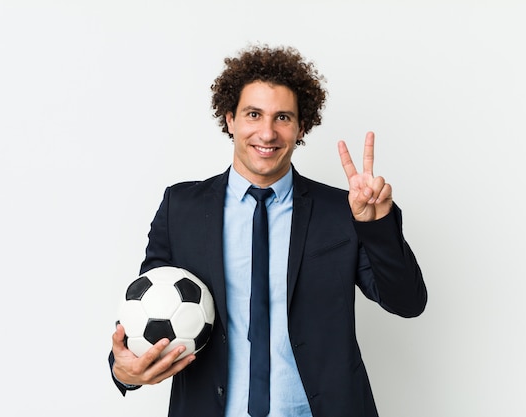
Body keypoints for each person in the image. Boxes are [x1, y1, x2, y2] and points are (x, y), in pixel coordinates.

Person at [108, 44, 427, 417]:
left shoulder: (340, 212)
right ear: (230, 119)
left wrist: (376, 225)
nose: (267, 132)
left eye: (283, 118)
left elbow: (408, 302)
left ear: (301, 126)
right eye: (253, 114)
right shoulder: (182, 208)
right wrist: (124, 370)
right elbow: (148, 305)